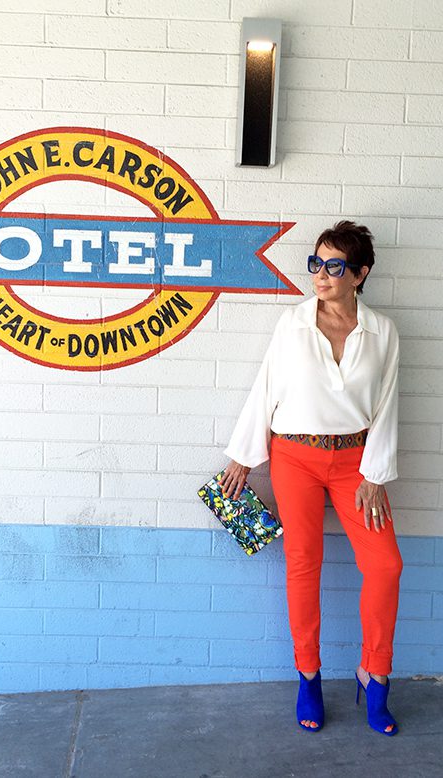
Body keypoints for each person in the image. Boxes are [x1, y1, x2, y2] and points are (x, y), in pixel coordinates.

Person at [222, 221, 403, 736]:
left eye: (335, 266)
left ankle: (375, 675)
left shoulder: (383, 331)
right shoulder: (292, 324)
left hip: (356, 464)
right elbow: (266, 388)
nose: (321, 275)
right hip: (294, 458)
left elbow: (388, 404)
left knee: (386, 566)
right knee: (303, 565)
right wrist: (242, 455)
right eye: (316, 263)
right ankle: (308, 676)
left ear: (359, 274)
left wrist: (375, 471)